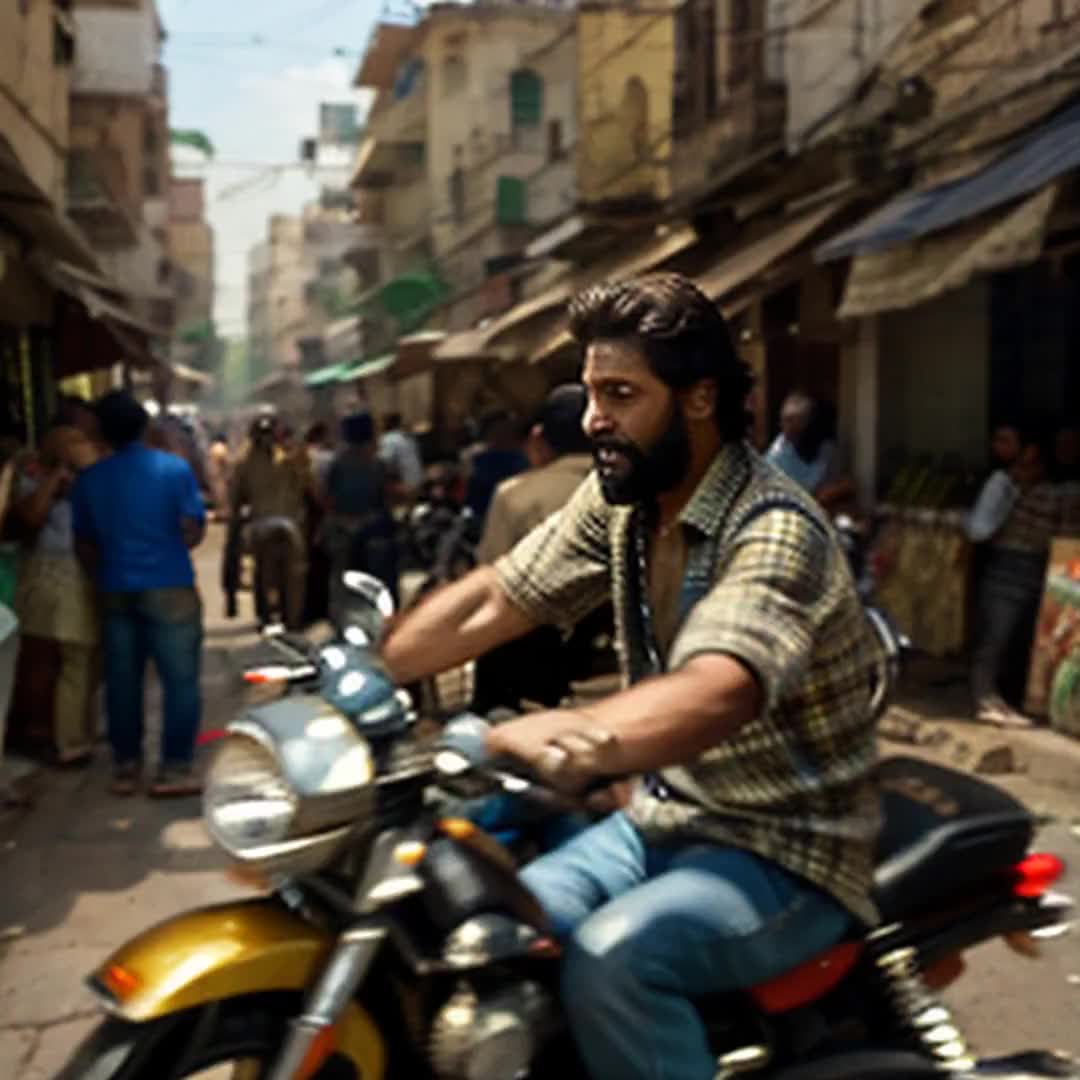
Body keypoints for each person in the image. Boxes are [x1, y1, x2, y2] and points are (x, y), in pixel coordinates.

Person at [381, 273, 885, 1080]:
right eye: (589, 393)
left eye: (619, 394)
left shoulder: (775, 527)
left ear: (697, 397)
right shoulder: (623, 499)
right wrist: (372, 671)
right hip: (663, 818)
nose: (592, 420)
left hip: (786, 849)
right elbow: (502, 594)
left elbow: (721, 683)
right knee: (493, 937)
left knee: (612, 963)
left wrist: (572, 737)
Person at [70, 391, 206, 797]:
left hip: (115, 587)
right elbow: (193, 529)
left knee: (122, 680)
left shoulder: (90, 480)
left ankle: (126, 767)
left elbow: (84, 543)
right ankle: (174, 768)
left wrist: (106, 571)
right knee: (180, 680)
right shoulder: (173, 470)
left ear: (103, 434)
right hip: (169, 583)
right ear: (145, 427)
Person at [473, 384, 615, 715]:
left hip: (538, 647)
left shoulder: (516, 494)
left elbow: (492, 575)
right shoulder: (629, 486)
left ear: (539, 438)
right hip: (610, 636)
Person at [8, 424, 102, 765]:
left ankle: (70, 735)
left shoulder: (93, 479)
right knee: (51, 659)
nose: (81, 445)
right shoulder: (35, 479)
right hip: (50, 572)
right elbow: (29, 517)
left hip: (79, 572)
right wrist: (55, 479)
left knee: (79, 658)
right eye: (74, 440)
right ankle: (64, 741)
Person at [966, 434, 1063, 727]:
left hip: (1036, 568)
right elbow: (978, 529)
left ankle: (1010, 699)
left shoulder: (1054, 493)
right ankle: (985, 698)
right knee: (996, 637)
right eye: (1023, 463)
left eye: (1033, 464)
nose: (1026, 470)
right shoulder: (1002, 485)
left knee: (1023, 641)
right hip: (1006, 569)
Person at [230, 415, 312, 630]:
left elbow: (237, 498)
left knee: (263, 573)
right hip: (290, 526)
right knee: (292, 575)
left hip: (261, 525)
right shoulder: (289, 459)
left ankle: (266, 616)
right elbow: (304, 486)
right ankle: (291, 618)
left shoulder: (244, 463)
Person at [325, 412, 399, 618]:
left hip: (344, 530)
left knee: (343, 583)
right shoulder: (377, 463)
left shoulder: (337, 463)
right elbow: (387, 494)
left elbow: (328, 498)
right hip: (374, 529)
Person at [766, 392, 853, 511]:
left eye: (795, 421)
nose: (787, 427)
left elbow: (845, 484)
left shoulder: (827, 450)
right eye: (786, 421)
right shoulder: (778, 452)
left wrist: (830, 492)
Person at [463, 410, 529, 524]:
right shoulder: (477, 458)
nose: (502, 436)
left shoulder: (524, 458)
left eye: (506, 431)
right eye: (497, 432)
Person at [378, 412, 424, 498]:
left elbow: (384, 463)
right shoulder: (408, 437)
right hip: (419, 482)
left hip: (406, 486)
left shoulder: (388, 438)